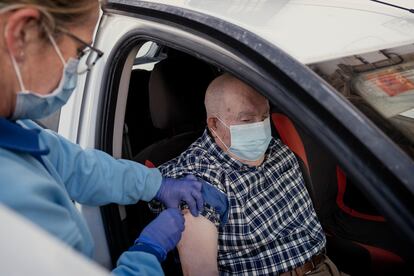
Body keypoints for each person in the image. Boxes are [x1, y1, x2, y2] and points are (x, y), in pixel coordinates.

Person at [0, 1, 204, 275]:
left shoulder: (17, 129)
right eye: (78, 51)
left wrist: (156, 184)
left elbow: (78, 167)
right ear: (21, 34)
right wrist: (147, 252)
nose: (78, 69)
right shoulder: (14, 203)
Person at [154, 73, 344, 275]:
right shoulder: (197, 178)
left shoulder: (275, 147)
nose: (260, 128)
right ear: (214, 124)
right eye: (246, 119)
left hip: (325, 265)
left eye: (264, 117)